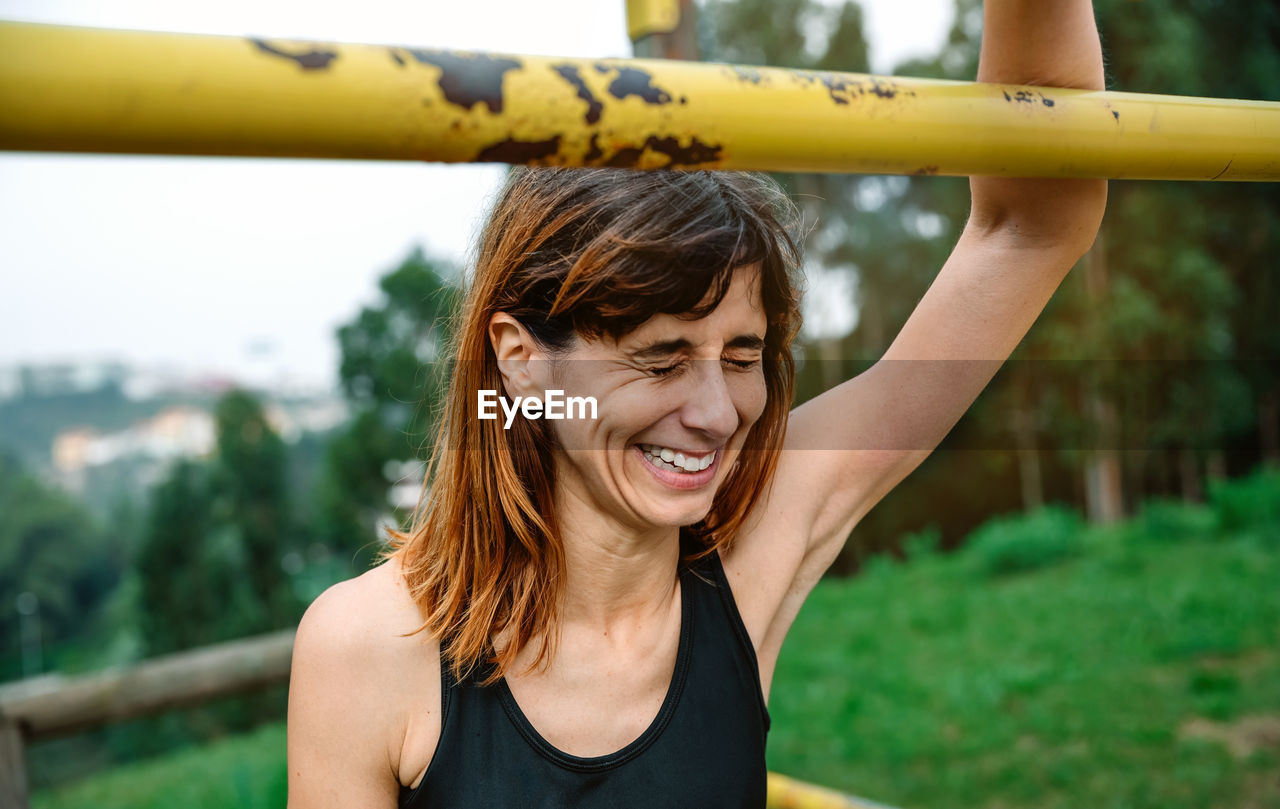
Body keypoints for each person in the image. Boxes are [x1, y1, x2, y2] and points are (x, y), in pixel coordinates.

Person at [286, 2, 1107, 806]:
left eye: (742, 355)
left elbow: (1030, 226)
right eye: (663, 358)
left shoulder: (754, 555)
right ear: (521, 361)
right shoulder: (366, 649)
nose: (717, 413)